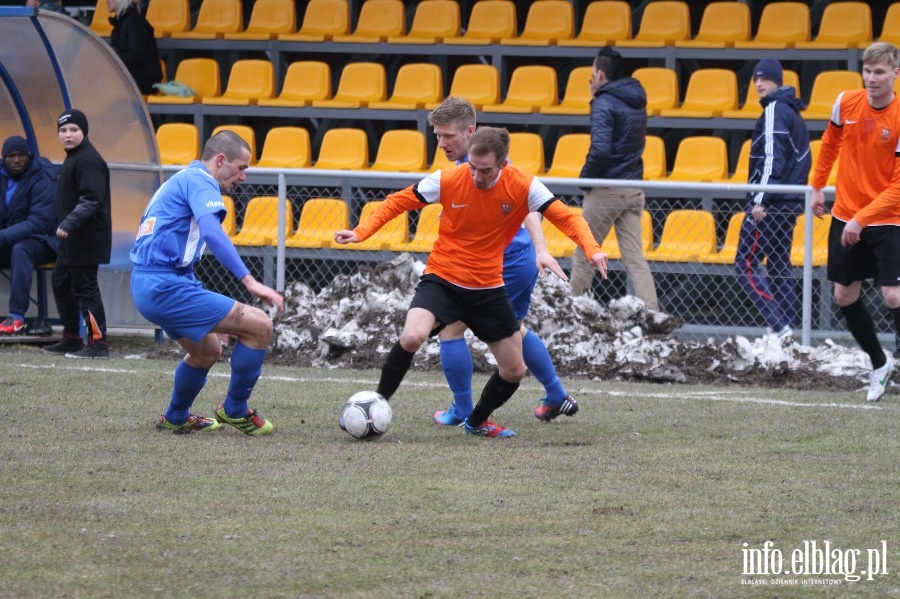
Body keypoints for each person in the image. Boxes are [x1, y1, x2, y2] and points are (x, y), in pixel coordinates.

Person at [335, 127, 608, 438]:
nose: (476, 176)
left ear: (504, 164)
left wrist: (593, 248)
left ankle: (476, 422)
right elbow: (398, 202)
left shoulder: (524, 185)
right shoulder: (449, 178)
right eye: (473, 168)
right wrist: (361, 231)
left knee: (514, 370)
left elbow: (568, 218)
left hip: (487, 288)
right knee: (412, 336)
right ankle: (376, 403)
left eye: (485, 170)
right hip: (443, 278)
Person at [425, 97, 581, 426]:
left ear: (469, 132)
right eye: (437, 136)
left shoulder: (483, 165)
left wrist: (542, 250)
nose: (441, 143)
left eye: (448, 136)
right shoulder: (479, 163)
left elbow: (528, 207)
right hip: (517, 260)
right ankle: (556, 394)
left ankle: (464, 409)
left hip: (501, 263)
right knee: (516, 331)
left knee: (451, 331)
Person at [131, 130, 284, 435]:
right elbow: (212, 233)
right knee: (260, 326)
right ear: (220, 160)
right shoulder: (200, 180)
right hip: (165, 285)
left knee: (207, 351)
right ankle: (235, 409)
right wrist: (251, 282)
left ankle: (176, 415)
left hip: (152, 283)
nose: (243, 177)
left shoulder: (183, 179)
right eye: (241, 168)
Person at [811, 41, 900, 402]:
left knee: (893, 295)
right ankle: (879, 364)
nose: (872, 78)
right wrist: (817, 187)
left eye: (879, 72)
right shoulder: (846, 102)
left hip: (887, 217)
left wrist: (862, 219)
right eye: (867, 70)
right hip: (846, 214)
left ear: (895, 74)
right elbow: (830, 143)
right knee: (844, 294)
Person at [570, 46, 658, 311]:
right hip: (632, 187)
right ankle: (652, 313)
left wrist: (584, 181)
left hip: (607, 189)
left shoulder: (604, 102)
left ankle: (571, 312)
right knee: (634, 258)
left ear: (599, 74)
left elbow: (601, 150)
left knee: (584, 252)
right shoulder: (636, 99)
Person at [734, 58, 811, 341]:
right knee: (779, 263)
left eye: (764, 78)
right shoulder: (793, 113)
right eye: (755, 79)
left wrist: (760, 199)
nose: (758, 83)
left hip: (770, 205)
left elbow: (771, 160)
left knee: (745, 264)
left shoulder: (775, 110)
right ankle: (786, 328)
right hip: (788, 203)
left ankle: (779, 327)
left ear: (777, 80)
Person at [42, 109, 112, 359]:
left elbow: (91, 199)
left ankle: (98, 343)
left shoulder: (88, 159)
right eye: (63, 130)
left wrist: (68, 223)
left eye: (74, 130)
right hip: (71, 239)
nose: (68, 135)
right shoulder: (73, 157)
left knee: (85, 288)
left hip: (86, 238)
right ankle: (72, 337)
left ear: (84, 132)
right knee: (61, 282)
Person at [0, 136, 59, 335]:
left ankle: (16, 318)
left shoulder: (44, 176)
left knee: (21, 249)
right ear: (4, 158)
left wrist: (3, 236)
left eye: (21, 155)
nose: (16, 160)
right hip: (9, 237)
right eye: (11, 156)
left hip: (44, 240)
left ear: (29, 156)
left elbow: (39, 222)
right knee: (17, 246)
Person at [106, 0, 162, 96]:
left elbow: (135, 56)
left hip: (143, 79)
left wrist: (112, 54)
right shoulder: (121, 23)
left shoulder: (135, 22)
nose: (106, 1)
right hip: (130, 76)